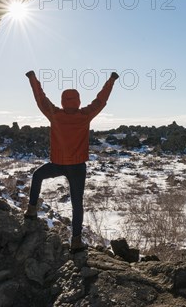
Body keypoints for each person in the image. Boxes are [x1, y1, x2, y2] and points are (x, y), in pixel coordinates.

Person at [23, 70, 119, 252]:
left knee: (37, 175)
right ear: (79, 101)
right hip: (77, 167)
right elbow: (101, 100)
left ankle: (31, 210)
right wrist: (111, 80)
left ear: (62, 101)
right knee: (77, 203)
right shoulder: (85, 115)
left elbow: (40, 98)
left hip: (58, 164)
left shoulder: (55, 115)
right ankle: (76, 241)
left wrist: (32, 79)